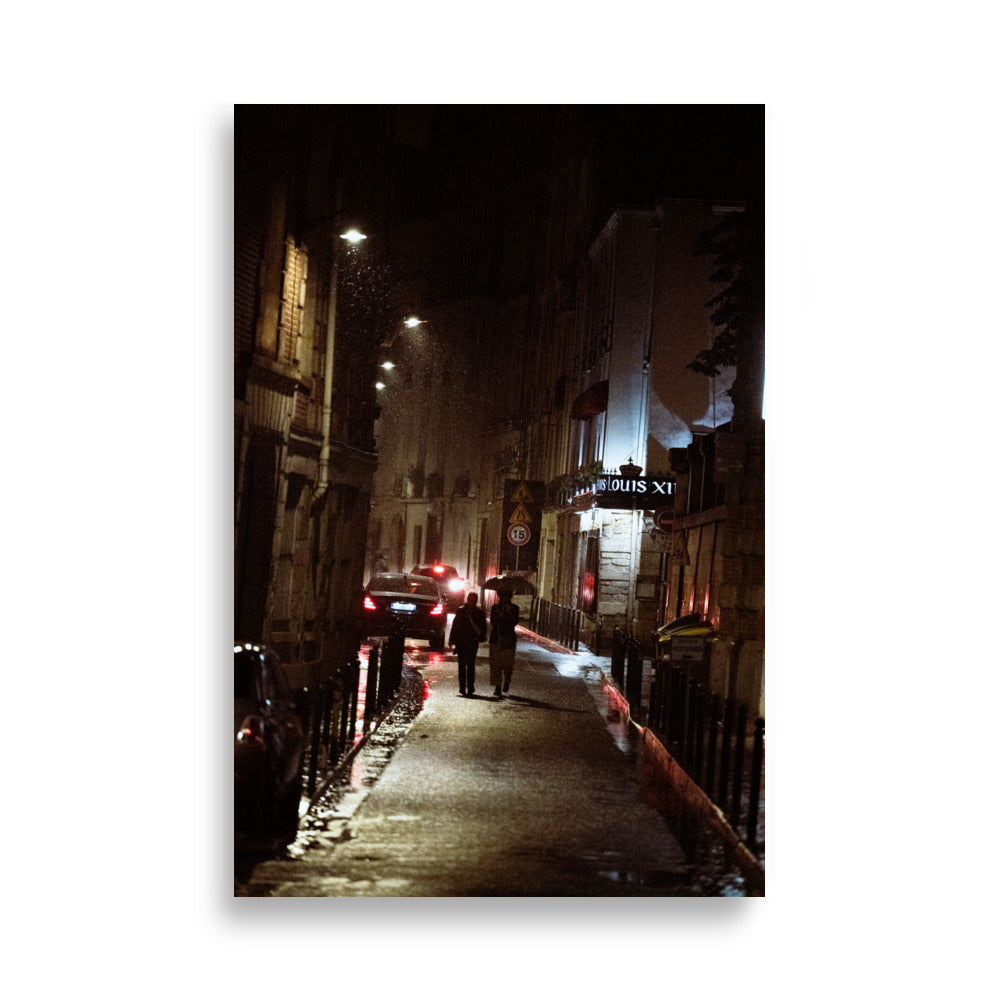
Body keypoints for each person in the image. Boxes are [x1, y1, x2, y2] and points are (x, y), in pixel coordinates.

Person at [448, 591, 487, 695]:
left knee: (470, 664)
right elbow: (455, 625)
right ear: (468, 600)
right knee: (462, 665)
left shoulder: (479, 614)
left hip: (472, 641)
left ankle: (470, 686)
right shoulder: (461, 611)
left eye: (474, 600)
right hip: (462, 641)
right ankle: (463, 687)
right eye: (471, 600)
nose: (472, 602)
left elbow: (482, 629)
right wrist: (452, 639)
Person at [488, 589, 519, 696]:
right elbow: (493, 622)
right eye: (502, 597)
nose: (504, 599)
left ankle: (507, 680)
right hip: (496, 638)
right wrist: (500, 615)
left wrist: (509, 613)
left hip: (509, 638)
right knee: (496, 664)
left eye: (506, 597)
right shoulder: (495, 608)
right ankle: (497, 686)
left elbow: (515, 622)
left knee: (508, 663)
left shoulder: (515, 608)